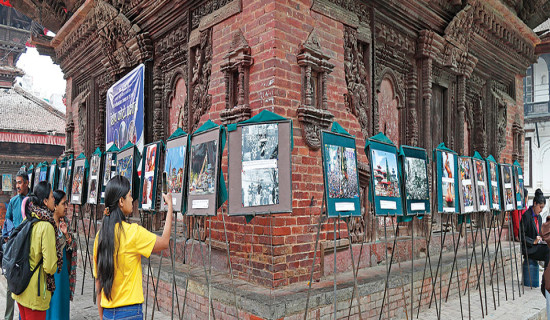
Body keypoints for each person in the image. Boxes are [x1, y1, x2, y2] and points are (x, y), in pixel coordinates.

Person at [93, 175, 173, 320]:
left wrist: (101, 316)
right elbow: (165, 242)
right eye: (129, 195)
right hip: (130, 312)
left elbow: (98, 282)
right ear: (121, 201)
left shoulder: (100, 236)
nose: (132, 199)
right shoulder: (132, 232)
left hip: (108, 313)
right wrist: (170, 208)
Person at [12, 181, 60, 320]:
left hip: (21, 288)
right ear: (45, 201)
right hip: (35, 292)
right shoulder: (46, 226)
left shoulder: (28, 219)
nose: (54, 200)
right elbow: (50, 266)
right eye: (51, 197)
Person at [46, 190, 78, 320]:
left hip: (63, 272)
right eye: (63, 204)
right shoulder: (46, 223)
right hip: (50, 272)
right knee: (50, 306)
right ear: (55, 205)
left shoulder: (65, 222)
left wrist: (67, 236)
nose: (66, 207)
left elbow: (72, 247)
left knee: (62, 306)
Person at [3, 171, 29, 320]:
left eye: (20, 183)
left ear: (27, 183)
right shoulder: (13, 201)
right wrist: (8, 237)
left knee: (24, 283)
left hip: (27, 247)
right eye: (16, 183)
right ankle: (8, 317)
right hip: (14, 247)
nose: (17, 186)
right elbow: (7, 222)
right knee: (10, 284)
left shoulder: (32, 200)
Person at [520, 189, 550, 269]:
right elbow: (521, 236)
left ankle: (546, 277)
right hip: (529, 248)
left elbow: (539, 233)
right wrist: (533, 241)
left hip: (536, 247)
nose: (541, 210)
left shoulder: (539, 218)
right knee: (548, 251)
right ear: (535, 203)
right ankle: (546, 278)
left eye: (542, 208)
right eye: (540, 207)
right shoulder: (526, 216)